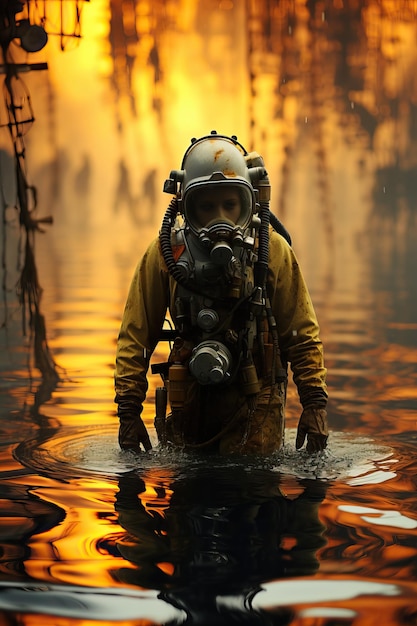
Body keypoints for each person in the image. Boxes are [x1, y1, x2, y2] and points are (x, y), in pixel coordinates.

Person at [114, 131, 328, 455]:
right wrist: (128, 411)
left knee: (256, 491)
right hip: (191, 404)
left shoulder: (270, 251)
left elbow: (301, 335)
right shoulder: (167, 254)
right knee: (189, 493)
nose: (220, 218)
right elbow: (136, 335)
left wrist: (315, 404)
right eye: (207, 206)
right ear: (187, 206)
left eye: (230, 205)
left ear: (247, 203)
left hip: (258, 408)